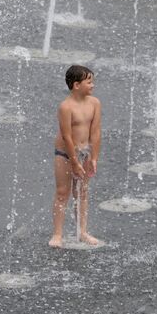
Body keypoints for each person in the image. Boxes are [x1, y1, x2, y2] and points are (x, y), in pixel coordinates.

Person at [51, 64, 102, 247]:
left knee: (81, 193)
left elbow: (95, 132)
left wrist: (93, 157)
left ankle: (82, 232)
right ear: (76, 85)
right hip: (65, 154)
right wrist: (73, 161)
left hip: (84, 153)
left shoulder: (95, 103)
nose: (93, 85)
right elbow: (66, 136)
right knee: (62, 193)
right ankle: (57, 234)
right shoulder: (66, 107)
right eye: (89, 82)